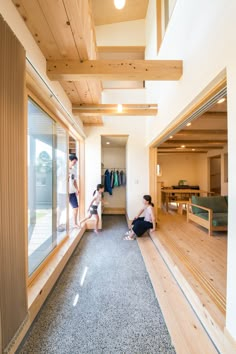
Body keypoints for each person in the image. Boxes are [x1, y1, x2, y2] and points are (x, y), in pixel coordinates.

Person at [69, 154, 79, 228]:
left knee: (75, 207)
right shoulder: (62, 169)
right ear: (69, 160)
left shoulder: (73, 170)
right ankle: (57, 223)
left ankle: (74, 223)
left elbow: (74, 181)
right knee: (61, 208)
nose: (75, 163)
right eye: (74, 162)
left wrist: (77, 189)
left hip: (72, 192)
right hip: (63, 192)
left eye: (75, 162)